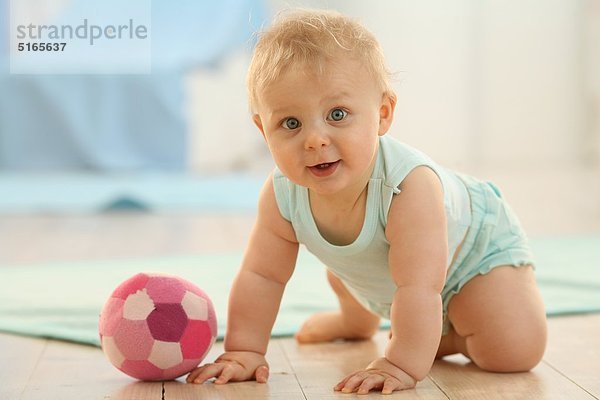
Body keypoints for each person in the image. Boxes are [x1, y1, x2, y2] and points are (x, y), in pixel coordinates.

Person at [187, 9, 547, 394]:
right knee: (351, 257)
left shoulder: (410, 188)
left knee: (512, 350)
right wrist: (244, 350)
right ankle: (356, 320)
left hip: (470, 255)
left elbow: (419, 287)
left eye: (337, 114)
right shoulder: (281, 195)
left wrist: (400, 364)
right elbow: (263, 276)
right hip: (379, 275)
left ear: (382, 114)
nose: (314, 140)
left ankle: (449, 336)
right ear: (263, 128)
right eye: (290, 123)